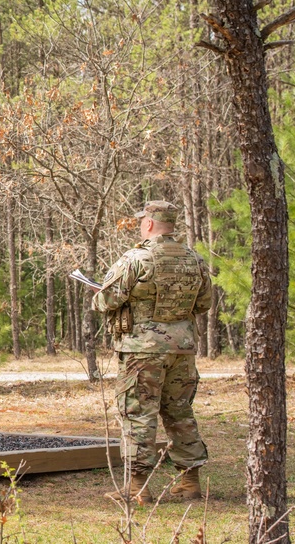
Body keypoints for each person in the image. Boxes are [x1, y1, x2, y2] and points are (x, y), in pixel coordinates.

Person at [92, 200, 212, 505]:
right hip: (182, 350)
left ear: (148, 223)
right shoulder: (194, 260)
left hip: (141, 351)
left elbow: (105, 300)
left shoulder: (136, 259)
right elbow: (203, 303)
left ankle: (137, 487)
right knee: (180, 411)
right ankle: (190, 482)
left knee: (138, 413)